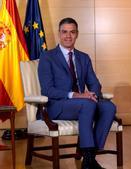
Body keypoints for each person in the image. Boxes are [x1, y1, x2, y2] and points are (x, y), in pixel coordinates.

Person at [38, 17, 116, 169]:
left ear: (77, 34)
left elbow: (94, 83)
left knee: (109, 107)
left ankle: (90, 157)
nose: (68, 36)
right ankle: (88, 163)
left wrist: (92, 94)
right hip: (57, 106)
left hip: (83, 105)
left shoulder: (83, 57)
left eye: (72, 32)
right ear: (59, 34)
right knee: (86, 104)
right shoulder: (47, 57)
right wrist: (77, 95)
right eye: (64, 32)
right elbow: (47, 90)